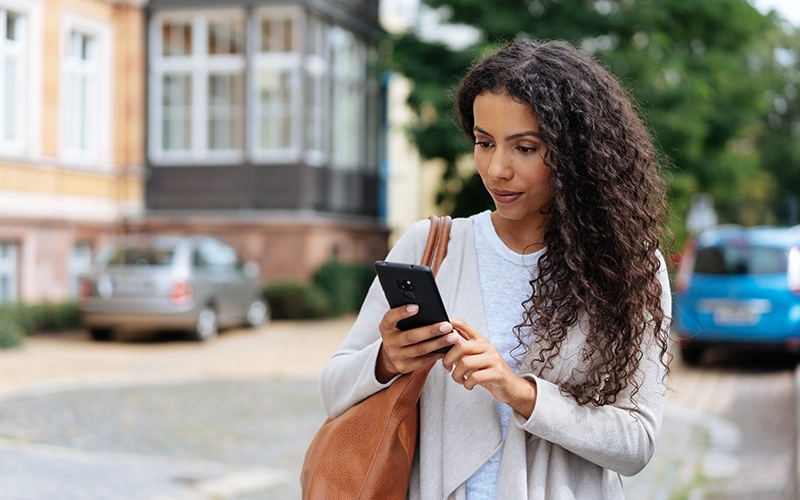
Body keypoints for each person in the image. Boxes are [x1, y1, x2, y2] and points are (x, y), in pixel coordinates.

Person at [319, 38, 672, 499]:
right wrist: (387, 360)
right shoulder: (430, 246)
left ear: (579, 154)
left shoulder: (629, 266)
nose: (496, 169)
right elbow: (333, 388)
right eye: (484, 143)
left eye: (525, 147)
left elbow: (637, 444)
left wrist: (519, 392)